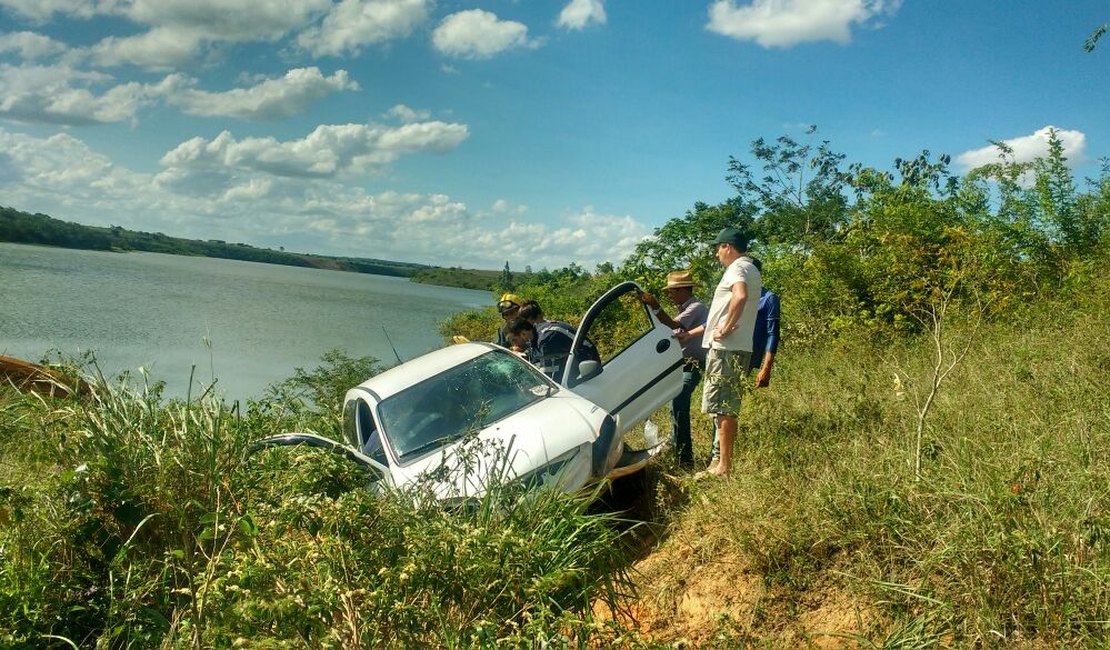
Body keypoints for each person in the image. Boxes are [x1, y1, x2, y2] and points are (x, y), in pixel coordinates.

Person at [684, 227, 761, 479]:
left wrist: (725, 329)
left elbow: (740, 295)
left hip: (727, 348)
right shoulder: (750, 268)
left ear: (728, 246)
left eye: (718, 248)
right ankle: (718, 463)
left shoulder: (737, 268)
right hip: (736, 348)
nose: (717, 253)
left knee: (724, 407)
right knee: (722, 407)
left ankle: (724, 468)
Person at [708, 257, 780, 466]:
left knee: (725, 406)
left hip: (747, 356)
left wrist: (766, 368)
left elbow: (772, 334)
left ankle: (718, 459)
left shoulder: (768, 298)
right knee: (719, 407)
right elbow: (712, 321)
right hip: (729, 353)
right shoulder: (735, 295)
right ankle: (717, 455)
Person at [639, 270, 708, 469]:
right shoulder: (683, 307)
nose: (669, 295)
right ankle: (681, 453)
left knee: (679, 401)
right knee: (676, 405)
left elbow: (674, 324)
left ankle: (685, 458)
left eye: (671, 291)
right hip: (681, 364)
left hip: (692, 365)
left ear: (681, 290)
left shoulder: (696, 307)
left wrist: (655, 306)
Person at [515, 300, 582, 382]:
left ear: (530, 321)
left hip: (584, 372)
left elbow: (549, 377)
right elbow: (536, 357)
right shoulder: (540, 330)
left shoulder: (547, 337)